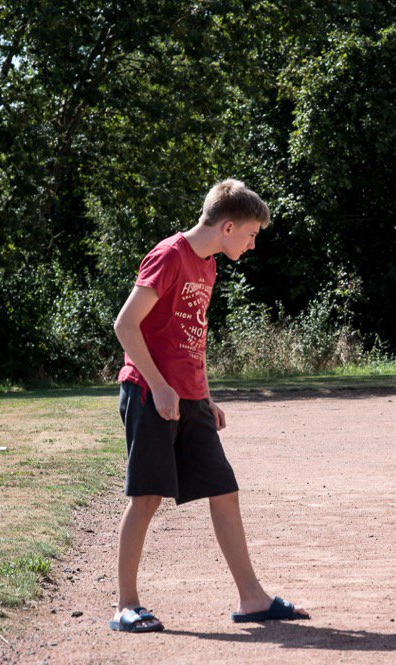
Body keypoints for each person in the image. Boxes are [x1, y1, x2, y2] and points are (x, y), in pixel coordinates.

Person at [110, 179, 309, 632]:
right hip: (149, 393)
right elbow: (126, 325)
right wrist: (160, 388)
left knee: (224, 489)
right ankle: (126, 605)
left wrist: (207, 397)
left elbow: (190, 338)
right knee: (147, 497)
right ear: (229, 225)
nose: (253, 244)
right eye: (252, 234)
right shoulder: (169, 255)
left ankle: (252, 598)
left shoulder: (209, 267)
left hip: (190, 399)